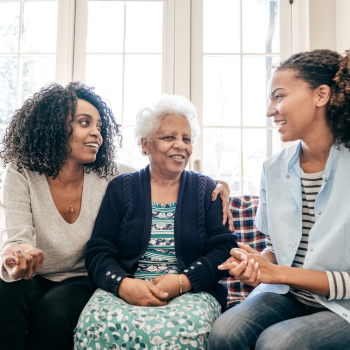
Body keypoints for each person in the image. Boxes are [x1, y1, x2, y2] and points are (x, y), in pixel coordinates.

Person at [0, 83, 232, 350]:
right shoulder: (24, 172)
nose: (96, 133)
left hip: (79, 278)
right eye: (84, 123)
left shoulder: (109, 173)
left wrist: (217, 185)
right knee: (5, 294)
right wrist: (17, 257)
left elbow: (162, 173)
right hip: (39, 275)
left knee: (56, 312)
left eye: (99, 126)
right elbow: (17, 239)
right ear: (53, 126)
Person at [208, 49, 350, 350]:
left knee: (278, 344)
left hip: (343, 306)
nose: (270, 110)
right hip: (289, 295)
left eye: (279, 96)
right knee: (225, 331)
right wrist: (260, 263)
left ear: (321, 95)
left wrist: (279, 272)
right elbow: (278, 247)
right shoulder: (272, 168)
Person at [73, 94, 238, 350]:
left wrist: (183, 281)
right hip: (129, 286)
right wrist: (122, 285)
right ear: (145, 144)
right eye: (169, 137)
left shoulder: (206, 189)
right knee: (95, 325)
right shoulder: (121, 188)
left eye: (186, 139)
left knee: (183, 331)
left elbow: (225, 250)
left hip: (191, 291)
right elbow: (99, 251)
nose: (180, 146)